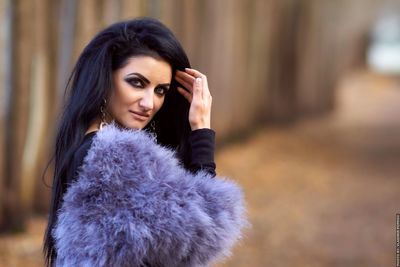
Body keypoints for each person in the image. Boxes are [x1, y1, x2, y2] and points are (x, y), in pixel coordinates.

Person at [43, 17, 246, 267]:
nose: (149, 103)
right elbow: (207, 230)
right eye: (137, 83)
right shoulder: (112, 155)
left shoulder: (86, 147)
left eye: (160, 90)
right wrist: (201, 130)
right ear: (105, 78)